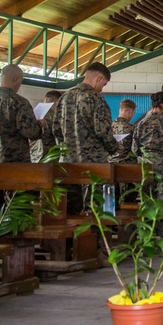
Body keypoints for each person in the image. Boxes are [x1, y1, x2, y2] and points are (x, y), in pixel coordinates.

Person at [52, 62, 119, 213]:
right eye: (104, 83)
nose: (103, 88)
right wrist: (114, 148)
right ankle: (93, 236)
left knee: (70, 209)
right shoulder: (95, 98)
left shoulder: (64, 98)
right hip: (92, 164)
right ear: (99, 78)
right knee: (93, 210)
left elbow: (56, 129)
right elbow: (103, 131)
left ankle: (70, 237)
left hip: (67, 162)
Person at [0, 64, 42, 163]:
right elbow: (31, 132)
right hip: (14, 163)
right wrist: (41, 125)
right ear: (16, 79)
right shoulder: (18, 102)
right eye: (21, 81)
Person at [30, 90, 61, 162]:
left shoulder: (34, 113)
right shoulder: (54, 116)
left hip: (34, 155)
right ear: (57, 103)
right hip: (49, 155)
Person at [109, 99, 137, 164]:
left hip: (109, 163)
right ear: (130, 111)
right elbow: (136, 149)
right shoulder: (133, 128)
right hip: (128, 165)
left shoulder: (108, 126)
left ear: (120, 110)